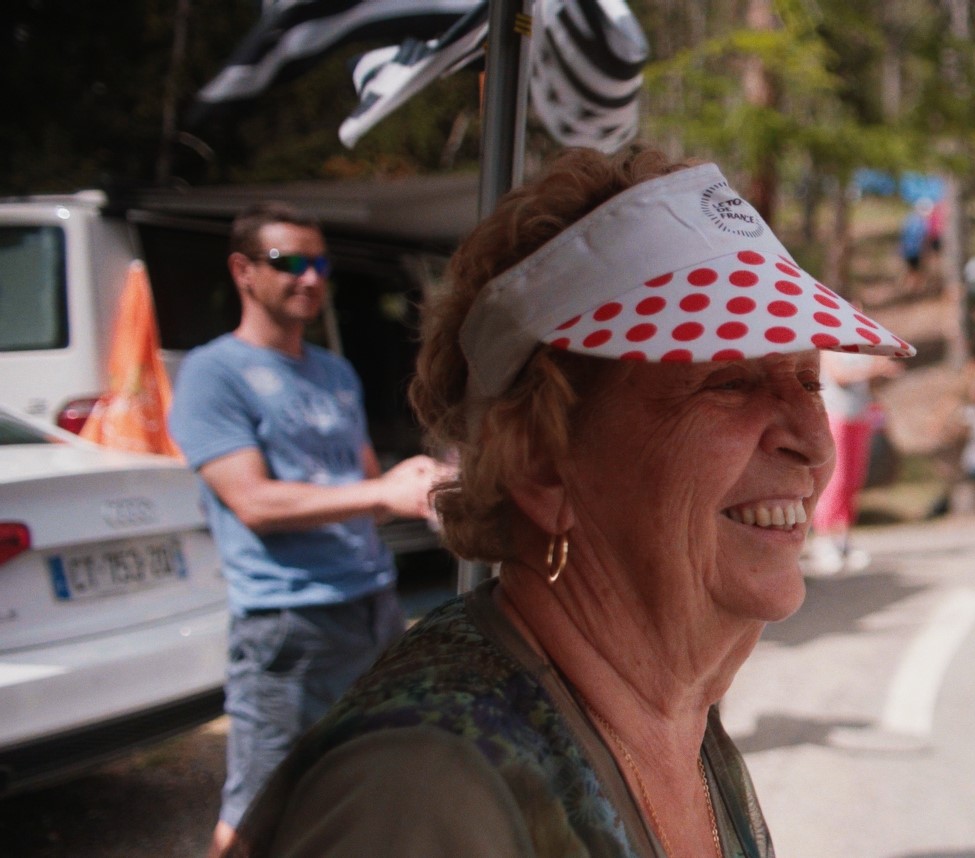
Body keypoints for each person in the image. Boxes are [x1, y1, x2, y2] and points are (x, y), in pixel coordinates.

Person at [230, 150, 914, 857]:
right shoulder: (422, 792)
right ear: (540, 459)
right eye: (731, 381)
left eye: (807, 380)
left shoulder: (669, 719)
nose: (813, 442)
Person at [165, 202, 442, 857]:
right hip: (289, 620)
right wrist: (381, 489)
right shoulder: (213, 373)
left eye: (319, 264)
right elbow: (253, 501)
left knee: (364, 780)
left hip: (370, 605)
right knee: (258, 809)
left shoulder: (333, 371)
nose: (310, 278)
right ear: (244, 271)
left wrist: (423, 480)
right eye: (289, 262)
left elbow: (367, 491)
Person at [809, 348, 901, 574]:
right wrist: (874, 368)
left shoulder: (861, 347)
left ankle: (843, 539)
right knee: (835, 479)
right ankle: (823, 540)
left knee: (853, 480)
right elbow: (840, 376)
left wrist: (883, 372)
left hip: (860, 415)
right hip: (835, 415)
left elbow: (868, 384)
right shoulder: (827, 347)